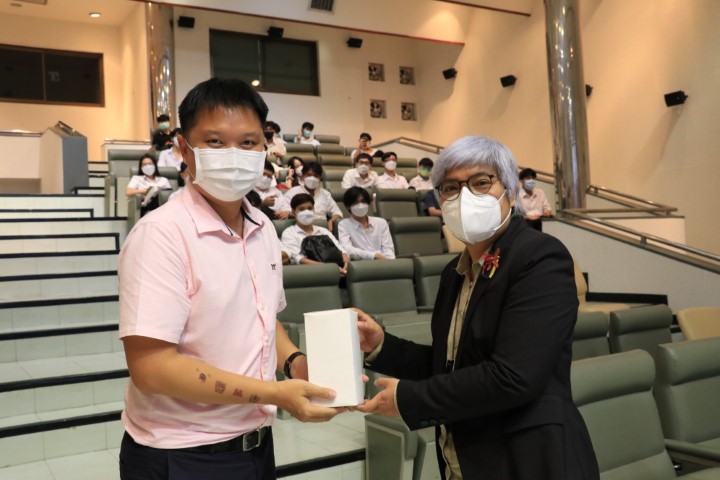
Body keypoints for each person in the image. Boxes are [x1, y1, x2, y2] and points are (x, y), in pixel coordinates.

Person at [118, 77, 344, 480]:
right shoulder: (161, 235)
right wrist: (275, 393)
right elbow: (151, 368)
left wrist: (296, 364)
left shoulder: (262, 227)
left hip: (255, 444)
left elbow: (264, 319)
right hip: (181, 454)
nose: (234, 155)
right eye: (215, 142)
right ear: (183, 148)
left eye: (249, 142)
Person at [355, 136, 599, 480]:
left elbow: (514, 376)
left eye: (481, 183)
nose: (464, 196)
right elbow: (451, 365)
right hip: (463, 460)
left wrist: (409, 399)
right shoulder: (453, 273)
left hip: (528, 460)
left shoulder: (540, 257)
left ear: (509, 192)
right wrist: (382, 345)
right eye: (450, 188)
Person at [281, 193, 349, 276]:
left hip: (338, 271)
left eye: (310, 208)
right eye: (302, 209)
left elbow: (341, 250)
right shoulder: (289, 233)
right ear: (294, 211)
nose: (307, 212)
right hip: (310, 274)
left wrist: (345, 264)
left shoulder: (323, 231)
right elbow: (299, 259)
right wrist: (331, 268)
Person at [338, 187, 395, 260]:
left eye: (363, 201)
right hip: (362, 265)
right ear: (348, 206)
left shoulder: (381, 223)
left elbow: (388, 249)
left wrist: (389, 261)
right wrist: (374, 255)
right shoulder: (344, 225)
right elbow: (348, 249)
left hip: (386, 262)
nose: (360, 206)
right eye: (356, 203)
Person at [284, 162, 343, 232]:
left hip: (322, 229)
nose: (312, 178)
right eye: (309, 175)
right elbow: (285, 212)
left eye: (316, 176)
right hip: (300, 229)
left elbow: (337, 212)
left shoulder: (325, 194)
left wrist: (332, 220)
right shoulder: (292, 192)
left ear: (320, 178)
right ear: (302, 176)